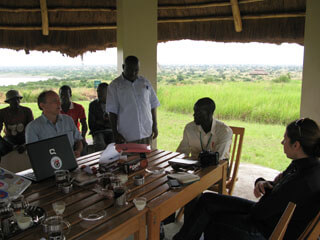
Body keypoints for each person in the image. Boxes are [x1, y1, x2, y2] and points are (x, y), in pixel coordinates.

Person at [173, 118, 320, 240]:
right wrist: (263, 182)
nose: (282, 142)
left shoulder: (303, 180)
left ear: (296, 145)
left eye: (285, 139)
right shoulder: (304, 165)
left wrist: (272, 190)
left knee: (215, 221)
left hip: (270, 231)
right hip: (267, 216)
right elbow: (276, 188)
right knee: (207, 200)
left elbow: (259, 212)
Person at [106, 55, 160, 145]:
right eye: (130, 69)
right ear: (123, 67)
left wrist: (155, 125)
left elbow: (153, 104)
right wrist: (115, 133)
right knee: (130, 159)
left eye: (136, 70)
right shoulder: (115, 86)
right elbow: (112, 112)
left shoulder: (145, 82)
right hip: (127, 136)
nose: (133, 73)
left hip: (146, 133)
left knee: (147, 159)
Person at [26, 90, 83, 158]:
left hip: (71, 161)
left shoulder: (68, 120)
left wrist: (78, 151)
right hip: (48, 166)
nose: (59, 103)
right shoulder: (33, 127)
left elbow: (78, 141)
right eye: (54, 101)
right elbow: (33, 153)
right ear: (42, 105)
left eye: (59, 100)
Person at [0, 90, 34, 156]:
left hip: (25, 138)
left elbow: (32, 131)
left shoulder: (27, 111)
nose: (16, 101)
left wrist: (25, 145)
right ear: (8, 101)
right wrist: (12, 146)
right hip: (9, 139)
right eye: (13, 100)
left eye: (17, 99)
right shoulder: (2, 113)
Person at [59, 85, 88, 154]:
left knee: (83, 148)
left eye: (66, 95)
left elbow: (84, 124)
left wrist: (82, 136)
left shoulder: (78, 108)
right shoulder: (55, 109)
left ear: (70, 95)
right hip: (60, 137)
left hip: (75, 136)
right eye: (61, 95)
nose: (63, 97)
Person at [88, 83, 113, 151]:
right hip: (98, 131)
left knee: (113, 144)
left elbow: (119, 122)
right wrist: (108, 123)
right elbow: (91, 124)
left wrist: (100, 122)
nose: (99, 94)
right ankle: (100, 160)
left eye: (102, 92)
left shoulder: (114, 104)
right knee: (100, 144)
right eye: (98, 91)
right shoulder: (93, 105)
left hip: (112, 131)